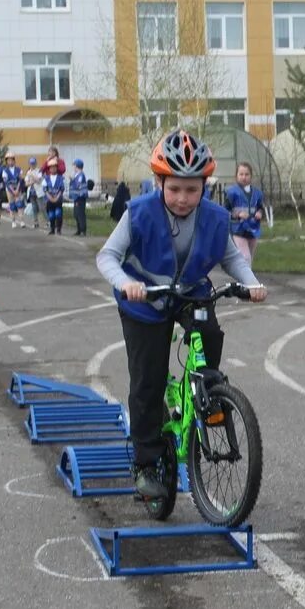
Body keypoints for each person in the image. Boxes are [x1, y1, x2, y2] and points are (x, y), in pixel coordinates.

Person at [95, 129, 266, 500]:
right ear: (159, 182)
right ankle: (145, 462)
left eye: (192, 189)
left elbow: (231, 257)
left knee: (210, 336)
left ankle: (208, 396)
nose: (183, 198)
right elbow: (106, 256)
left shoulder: (216, 218)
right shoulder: (138, 213)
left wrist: (250, 283)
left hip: (189, 294)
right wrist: (126, 283)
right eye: (174, 189)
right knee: (147, 381)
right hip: (145, 301)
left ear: (204, 185)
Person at [224, 161, 265, 264]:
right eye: (241, 174)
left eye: (247, 174)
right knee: (245, 257)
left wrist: (259, 213)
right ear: (236, 175)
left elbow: (260, 207)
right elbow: (225, 211)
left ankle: (244, 277)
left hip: (253, 228)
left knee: (250, 257)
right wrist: (237, 214)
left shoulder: (257, 193)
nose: (244, 177)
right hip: (238, 229)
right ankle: (247, 280)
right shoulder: (232, 192)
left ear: (251, 176)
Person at [2, 154, 25, 228]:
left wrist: (17, 189)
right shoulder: (5, 171)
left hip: (18, 188)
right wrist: (13, 191)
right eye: (8, 160)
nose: (10, 162)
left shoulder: (19, 169)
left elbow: (21, 180)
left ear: (14, 161)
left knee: (19, 204)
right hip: (9, 189)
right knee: (12, 205)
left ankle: (21, 221)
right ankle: (13, 221)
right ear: (6, 162)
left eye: (12, 160)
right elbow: (7, 182)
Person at [43, 160, 65, 234]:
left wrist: (56, 198)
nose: (53, 169)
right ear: (49, 169)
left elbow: (61, 189)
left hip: (58, 199)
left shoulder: (60, 178)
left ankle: (59, 229)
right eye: (51, 168)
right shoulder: (46, 178)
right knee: (51, 215)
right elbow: (45, 190)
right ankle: (52, 229)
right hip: (49, 200)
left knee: (58, 214)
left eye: (55, 167)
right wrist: (51, 198)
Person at [68, 157, 89, 236]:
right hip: (76, 197)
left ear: (77, 166)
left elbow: (78, 185)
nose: (73, 167)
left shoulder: (81, 175)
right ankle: (79, 229)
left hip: (80, 197)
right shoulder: (77, 175)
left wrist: (72, 179)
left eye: (74, 165)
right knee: (76, 214)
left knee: (80, 214)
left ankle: (83, 230)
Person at [24, 156, 44, 229]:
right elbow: (26, 183)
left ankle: (48, 221)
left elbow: (39, 181)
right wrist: (31, 181)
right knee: (34, 208)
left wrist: (32, 176)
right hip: (31, 192)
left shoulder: (39, 171)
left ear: (36, 164)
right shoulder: (28, 172)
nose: (32, 165)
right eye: (31, 164)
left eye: (33, 163)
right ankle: (36, 222)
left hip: (38, 192)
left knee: (42, 208)